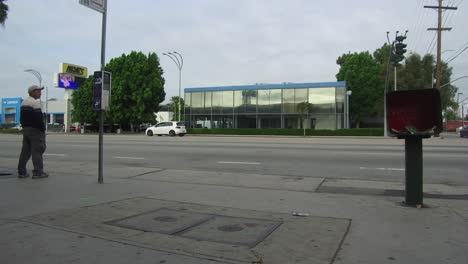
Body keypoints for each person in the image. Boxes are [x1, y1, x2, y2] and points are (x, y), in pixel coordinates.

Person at [17, 85, 49, 179]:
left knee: (25, 152)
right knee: (37, 151)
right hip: (35, 131)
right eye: (39, 91)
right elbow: (38, 119)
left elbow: (22, 118)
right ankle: (38, 172)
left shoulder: (24, 102)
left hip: (26, 129)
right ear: (33, 92)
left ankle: (21, 172)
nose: (40, 93)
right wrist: (42, 130)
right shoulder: (35, 103)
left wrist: (24, 127)